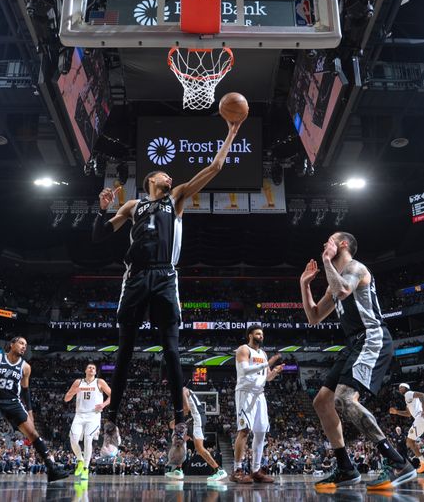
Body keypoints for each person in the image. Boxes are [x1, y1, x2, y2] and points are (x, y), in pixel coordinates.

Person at [91, 118, 244, 462]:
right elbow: (100, 236)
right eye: (163, 174)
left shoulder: (176, 199)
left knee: (172, 352)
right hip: (135, 277)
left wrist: (232, 133)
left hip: (164, 277)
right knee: (124, 353)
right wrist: (101, 211)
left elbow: (215, 167)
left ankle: (179, 423)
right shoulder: (132, 206)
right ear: (150, 180)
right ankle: (111, 423)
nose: (169, 177)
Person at [301, 232, 416, 491]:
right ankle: (345, 468)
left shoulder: (355, 267)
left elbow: (342, 290)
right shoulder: (335, 278)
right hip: (353, 342)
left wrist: (327, 262)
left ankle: (398, 462)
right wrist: (305, 284)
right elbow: (314, 316)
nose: (324, 244)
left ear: (342, 244)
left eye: (328, 240)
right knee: (322, 402)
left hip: (372, 337)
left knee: (343, 398)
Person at [0, 336, 68, 484]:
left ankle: (51, 469)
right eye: (21, 343)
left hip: (14, 403)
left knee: (33, 433)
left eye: (26, 345)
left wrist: (30, 412)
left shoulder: (26, 367)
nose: (24, 346)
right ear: (12, 344)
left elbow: (25, 391)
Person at [230, 325, 284, 484]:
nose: (261, 336)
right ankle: (237, 470)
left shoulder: (263, 353)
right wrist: (268, 363)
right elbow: (245, 370)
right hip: (245, 393)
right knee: (244, 431)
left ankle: (255, 470)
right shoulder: (243, 350)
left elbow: (267, 378)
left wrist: (274, 371)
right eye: (258, 333)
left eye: (262, 334)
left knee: (261, 433)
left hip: (259, 394)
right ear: (250, 335)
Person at [165, 385, 228, 482]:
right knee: (181, 439)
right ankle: (178, 469)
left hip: (197, 418)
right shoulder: (181, 392)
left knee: (199, 447)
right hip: (193, 418)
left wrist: (175, 421)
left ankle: (218, 470)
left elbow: (186, 409)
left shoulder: (182, 391)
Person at [64, 363, 111, 481]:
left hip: (93, 415)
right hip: (79, 415)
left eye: (94, 368)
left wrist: (104, 404)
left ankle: (85, 468)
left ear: (95, 372)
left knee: (88, 438)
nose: (91, 369)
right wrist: (74, 391)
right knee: (73, 439)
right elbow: (66, 398)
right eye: (89, 367)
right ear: (85, 370)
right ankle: (80, 460)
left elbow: (112, 395)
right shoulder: (78, 382)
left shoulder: (100, 382)